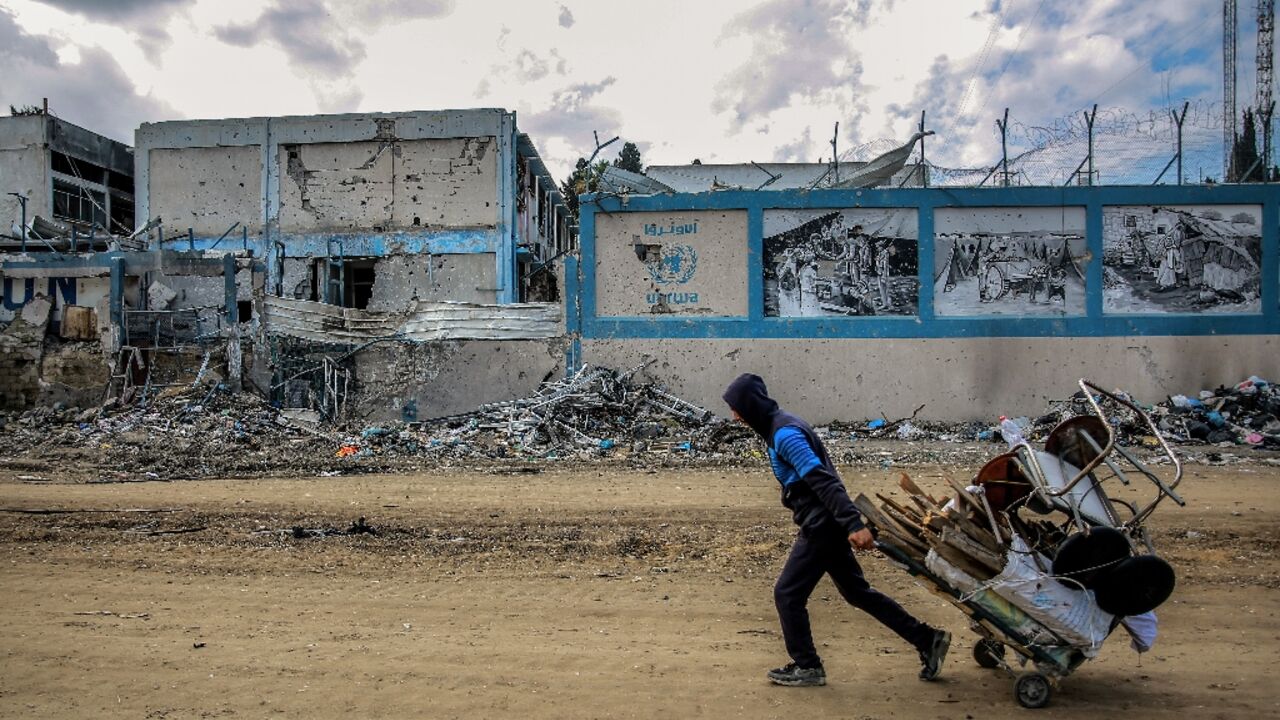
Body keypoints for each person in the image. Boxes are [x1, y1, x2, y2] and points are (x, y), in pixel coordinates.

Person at [722, 374, 950, 687]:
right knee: (857, 592)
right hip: (824, 521)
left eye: (737, 408)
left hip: (822, 525)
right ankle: (927, 639)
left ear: (751, 404)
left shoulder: (785, 434)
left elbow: (823, 479)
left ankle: (807, 666)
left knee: (787, 594)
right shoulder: (780, 426)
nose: (735, 416)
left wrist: (852, 523)